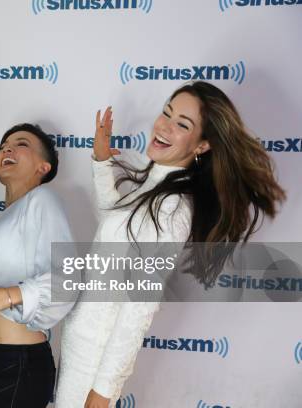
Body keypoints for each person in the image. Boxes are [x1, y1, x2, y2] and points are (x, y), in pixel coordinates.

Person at [56, 81, 285, 408]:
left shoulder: (172, 211)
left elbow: (138, 309)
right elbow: (115, 226)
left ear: (202, 145)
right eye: (166, 113)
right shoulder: (154, 185)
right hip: (79, 345)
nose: (164, 126)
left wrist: (102, 392)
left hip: (93, 364)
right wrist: (102, 161)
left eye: (182, 124)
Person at [0, 123, 77, 408]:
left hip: (16, 364)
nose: (7, 149)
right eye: (3, 145)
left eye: (21, 143)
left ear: (44, 167)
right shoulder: (2, 221)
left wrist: (6, 295)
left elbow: (68, 281)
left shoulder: (43, 199)